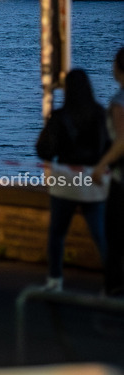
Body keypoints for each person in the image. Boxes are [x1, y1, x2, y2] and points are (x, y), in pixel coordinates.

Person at [36, 68, 110, 290]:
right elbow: (108, 146)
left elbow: (44, 150)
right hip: (92, 177)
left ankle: (54, 280)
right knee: (99, 233)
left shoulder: (60, 116)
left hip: (66, 178)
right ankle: (113, 280)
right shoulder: (100, 114)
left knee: (57, 233)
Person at [93, 47, 124, 296]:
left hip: (120, 178)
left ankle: (112, 289)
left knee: (114, 234)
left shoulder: (119, 101)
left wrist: (102, 164)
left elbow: (122, 141)